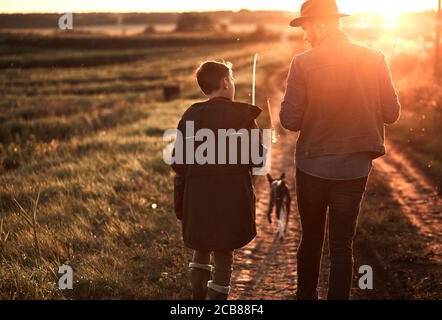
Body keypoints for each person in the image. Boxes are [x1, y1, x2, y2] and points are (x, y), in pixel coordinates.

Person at [279, 0, 401, 300]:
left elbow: (290, 120)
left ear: (319, 25)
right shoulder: (375, 58)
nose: (305, 36)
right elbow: (392, 113)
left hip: (313, 166)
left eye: (305, 28)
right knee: (342, 245)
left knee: (311, 239)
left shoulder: (302, 63)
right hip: (355, 168)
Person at [171, 61, 263, 300]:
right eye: (231, 80)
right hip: (231, 203)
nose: (232, 84)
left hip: (197, 200)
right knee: (224, 256)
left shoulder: (190, 115)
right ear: (225, 83)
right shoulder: (244, 116)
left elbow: (178, 164)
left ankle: (197, 299)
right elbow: (258, 160)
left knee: (200, 249)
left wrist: (181, 204)